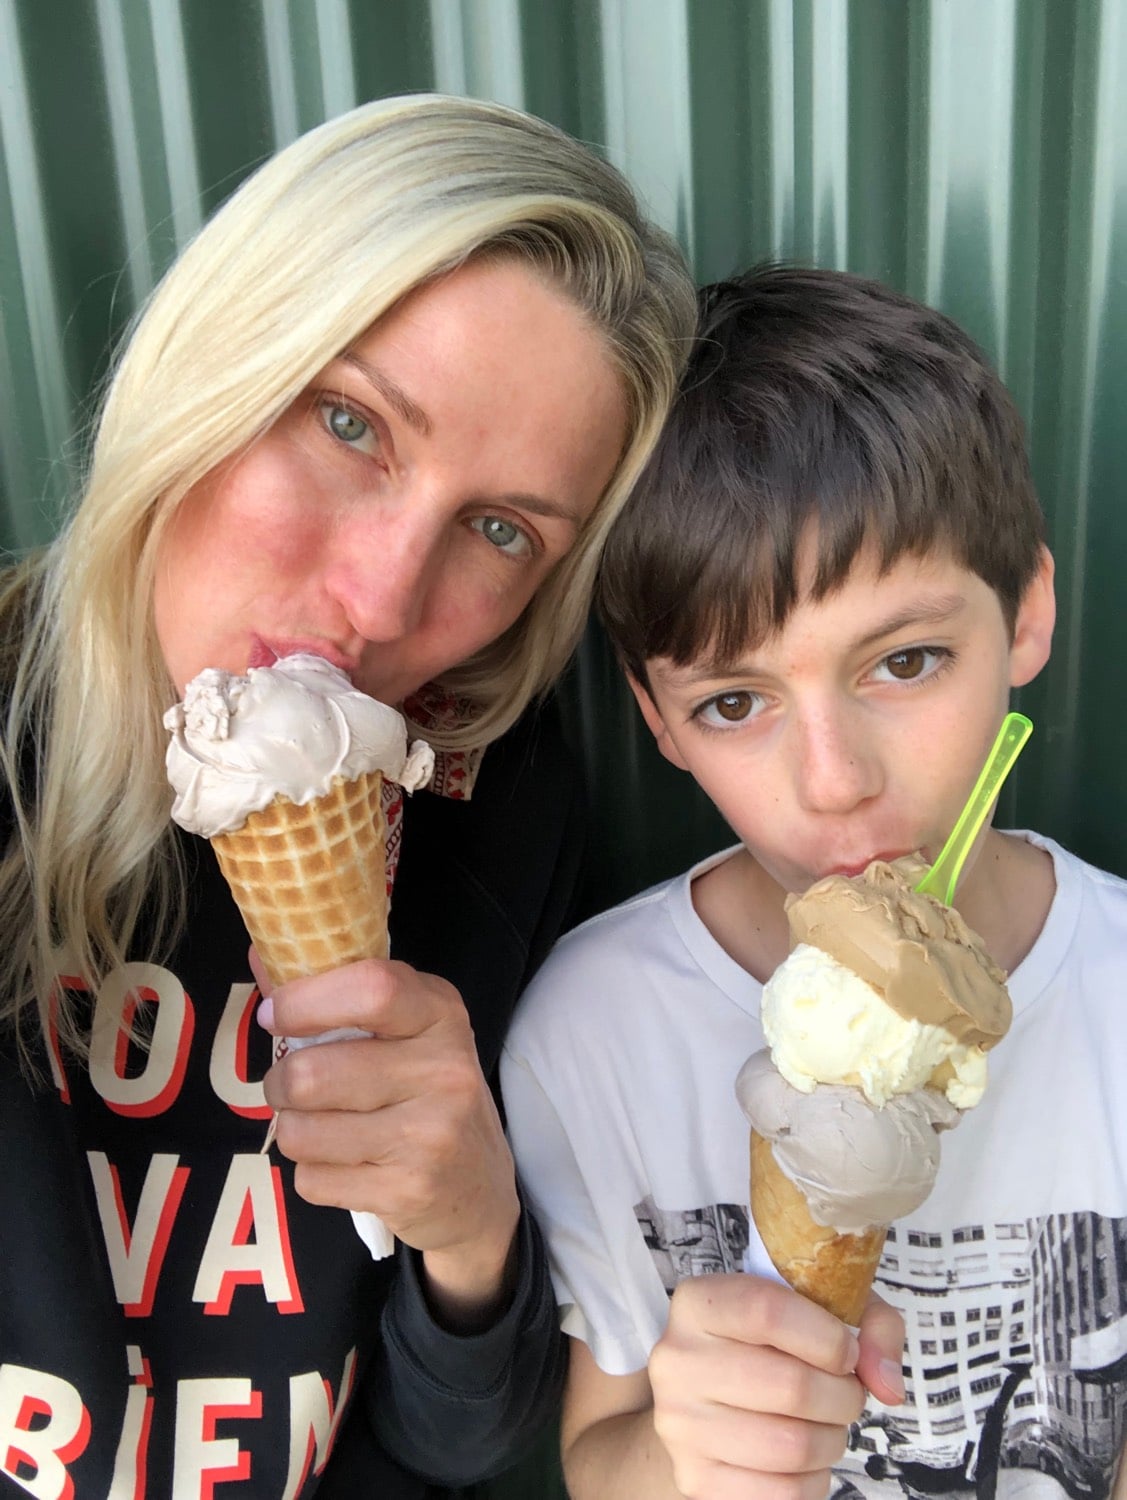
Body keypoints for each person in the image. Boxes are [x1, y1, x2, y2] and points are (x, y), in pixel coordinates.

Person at [0, 94, 696, 1497]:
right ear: (219, 358)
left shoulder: (489, 819)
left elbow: (448, 1445)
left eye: (498, 531)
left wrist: (468, 1236)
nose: (383, 601)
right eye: (348, 422)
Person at [501, 266, 1127, 1497]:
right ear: (659, 722)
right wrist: (686, 1455)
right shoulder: (589, 1037)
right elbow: (596, 1456)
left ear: (1028, 613)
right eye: (734, 702)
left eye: (904, 660)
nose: (833, 781)